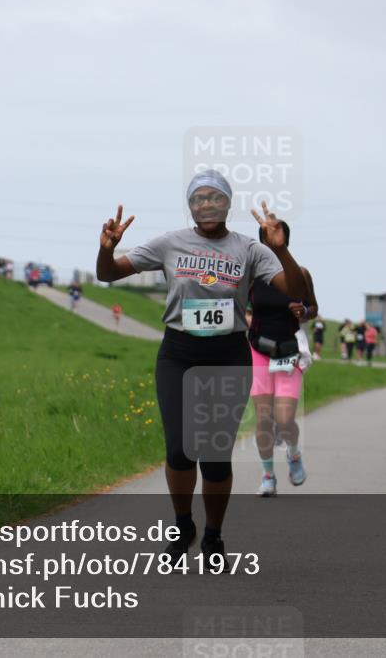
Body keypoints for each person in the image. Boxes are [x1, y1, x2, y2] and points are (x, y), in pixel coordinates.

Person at [95, 169, 307, 566]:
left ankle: (213, 536)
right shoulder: (170, 243)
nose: (207, 204)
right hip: (178, 353)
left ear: (228, 203)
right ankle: (182, 525)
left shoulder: (250, 249)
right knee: (178, 450)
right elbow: (107, 274)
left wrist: (280, 250)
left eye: (215, 197)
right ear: (190, 206)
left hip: (228, 356)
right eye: (199, 198)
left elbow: (296, 292)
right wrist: (107, 248)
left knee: (214, 455)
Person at [247, 220, 318, 497]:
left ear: (286, 241)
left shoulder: (300, 274)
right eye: (266, 237)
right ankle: (268, 475)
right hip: (259, 350)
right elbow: (238, 303)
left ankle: (294, 453)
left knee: (285, 418)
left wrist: (304, 312)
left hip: (288, 350)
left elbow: (314, 307)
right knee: (264, 418)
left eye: (277, 237)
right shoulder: (252, 276)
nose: (273, 243)